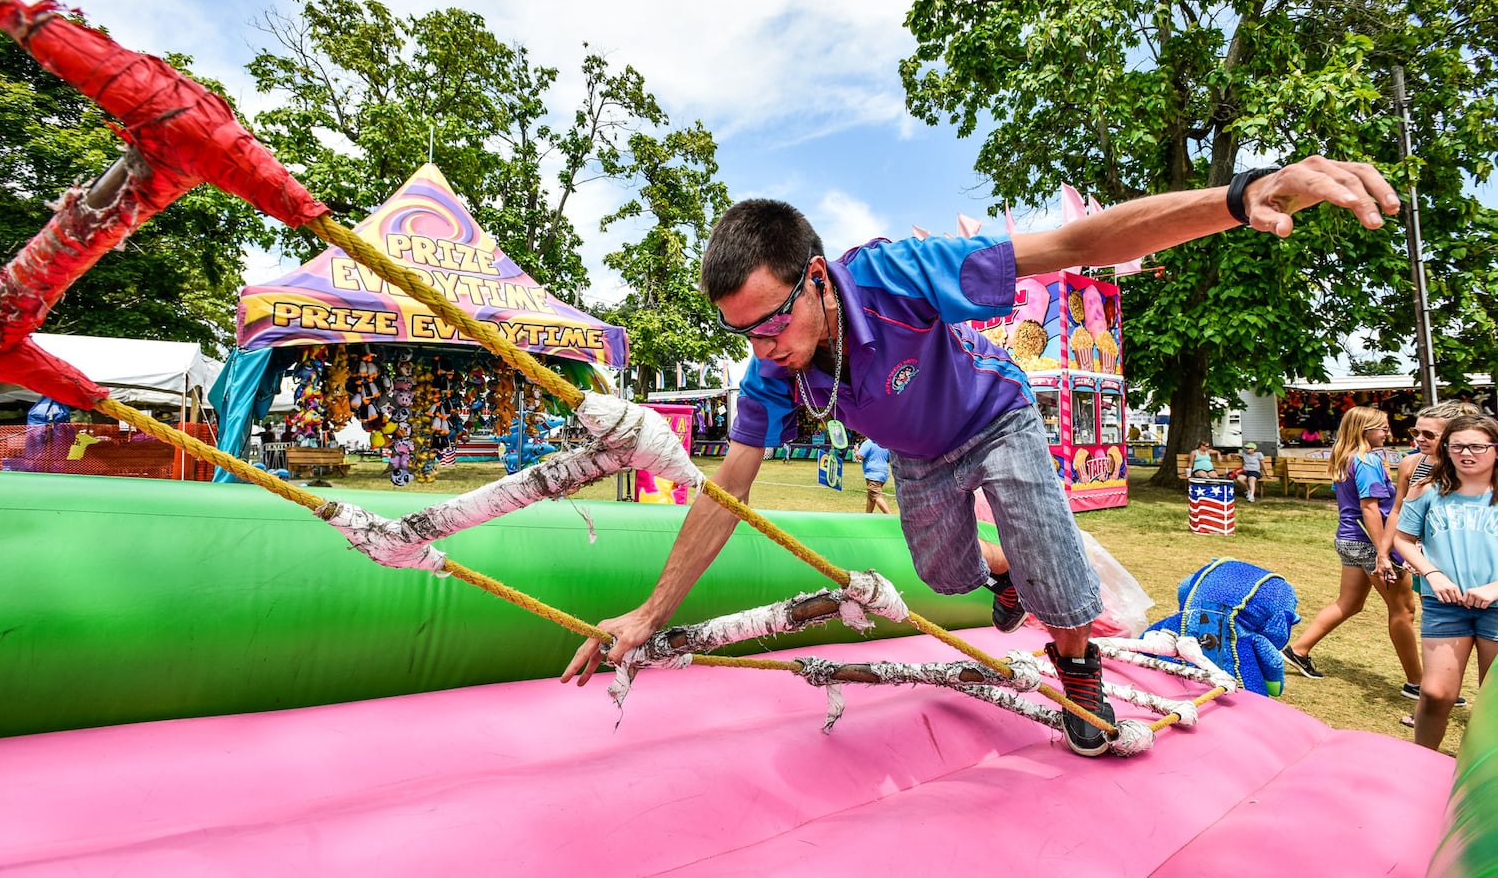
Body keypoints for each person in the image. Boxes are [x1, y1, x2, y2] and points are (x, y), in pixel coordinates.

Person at [563, 156, 1399, 758]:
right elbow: (725, 493)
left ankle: (1078, 668)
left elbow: (1073, 244)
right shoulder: (768, 374)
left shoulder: (896, 274)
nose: (764, 346)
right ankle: (998, 571)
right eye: (741, 333)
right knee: (946, 574)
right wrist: (651, 612)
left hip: (996, 419)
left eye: (772, 321)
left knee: (1062, 586)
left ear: (815, 277)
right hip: (922, 460)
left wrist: (1240, 192)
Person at [1281, 408, 1421, 691]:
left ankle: (1298, 650)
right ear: (1364, 430)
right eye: (1382, 427)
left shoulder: (1346, 458)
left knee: (1349, 603)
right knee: (1403, 609)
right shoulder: (1367, 461)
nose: (1387, 432)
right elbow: (1370, 509)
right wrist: (1384, 553)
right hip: (1371, 541)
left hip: (1349, 539)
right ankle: (1419, 683)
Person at [1391, 415, 1498, 750]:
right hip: (1444, 605)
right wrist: (1433, 574)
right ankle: (1421, 763)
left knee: (1492, 700)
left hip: (1495, 606)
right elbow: (1403, 539)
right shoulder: (1426, 490)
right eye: (1458, 446)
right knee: (1437, 694)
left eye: (1478, 446)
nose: (1467, 453)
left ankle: (1482, 778)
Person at [1380, 401, 1480, 721]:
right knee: (1442, 636)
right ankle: (1434, 704)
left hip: (1476, 567)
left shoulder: (1475, 468)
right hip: (1428, 564)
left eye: (1428, 434)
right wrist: (1384, 552)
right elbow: (1398, 510)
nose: (1418, 439)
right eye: (1415, 431)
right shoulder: (1412, 464)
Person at [855, 437, 893, 514]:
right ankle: (868, 516)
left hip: (873, 474)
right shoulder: (884, 443)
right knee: (871, 497)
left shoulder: (868, 443)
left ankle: (890, 516)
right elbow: (889, 458)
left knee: (877, 496)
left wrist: (856, 450)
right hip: (883, 474)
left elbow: (860, 456)